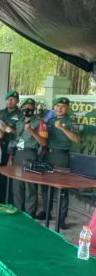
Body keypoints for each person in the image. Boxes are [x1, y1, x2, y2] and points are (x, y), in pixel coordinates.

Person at [38, 97, 79, 228]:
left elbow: (76, 139)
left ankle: (61, 219)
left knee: (62, 188)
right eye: (57, 106)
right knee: (45, 186)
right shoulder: (50, 121)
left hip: (61, 156)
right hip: (47, 154)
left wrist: (62, 128)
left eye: (62, 106)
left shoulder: (71, 122)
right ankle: (46, 211)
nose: (59, 108)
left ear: (67, 108)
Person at [10, 98, 48, 217]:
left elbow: (43, 143)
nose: (28, 109)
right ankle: (18, 211)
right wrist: (11, 156)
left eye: (30, 107)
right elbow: (18, 140)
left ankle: (29, 214)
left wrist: (32, 131)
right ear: (22, 108)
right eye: (25, 107)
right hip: (18, 154)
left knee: (30, 186)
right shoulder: (19, 122)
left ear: (34, 108)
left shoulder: (40, 122)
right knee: (17, 185)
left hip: (30, 154)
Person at [0, 90, 24, 203]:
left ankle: (10, 202)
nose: (10, 101)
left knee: (11, 175)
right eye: (8, 99)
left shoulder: (21, 114)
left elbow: (23, 134)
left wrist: (11, 130)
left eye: (13, 99)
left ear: (17, 101)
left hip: (13, 147)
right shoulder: (0, 113)